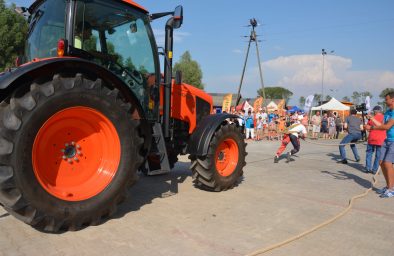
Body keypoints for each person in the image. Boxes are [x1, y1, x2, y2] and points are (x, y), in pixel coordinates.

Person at [365, 91, 394, 198]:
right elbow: (382, 125)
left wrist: (371, 128)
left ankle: (391, 189)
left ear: (392, 100)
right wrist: (372, 119)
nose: (385, 101)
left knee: (387, 163)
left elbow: (387, 127)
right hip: (387, 140)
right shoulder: (387, 112)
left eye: (386, 99)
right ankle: (389, 186)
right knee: (381, 162)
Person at [365, 106, 386, 174]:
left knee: (369, 153)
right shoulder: (384, 117)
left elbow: (367, 128)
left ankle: (368, 168)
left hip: (372, 138)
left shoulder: (371, 118)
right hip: (381, 139)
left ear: (375, 111)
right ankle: (375, 169)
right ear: (380, 110)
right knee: (378, 155)